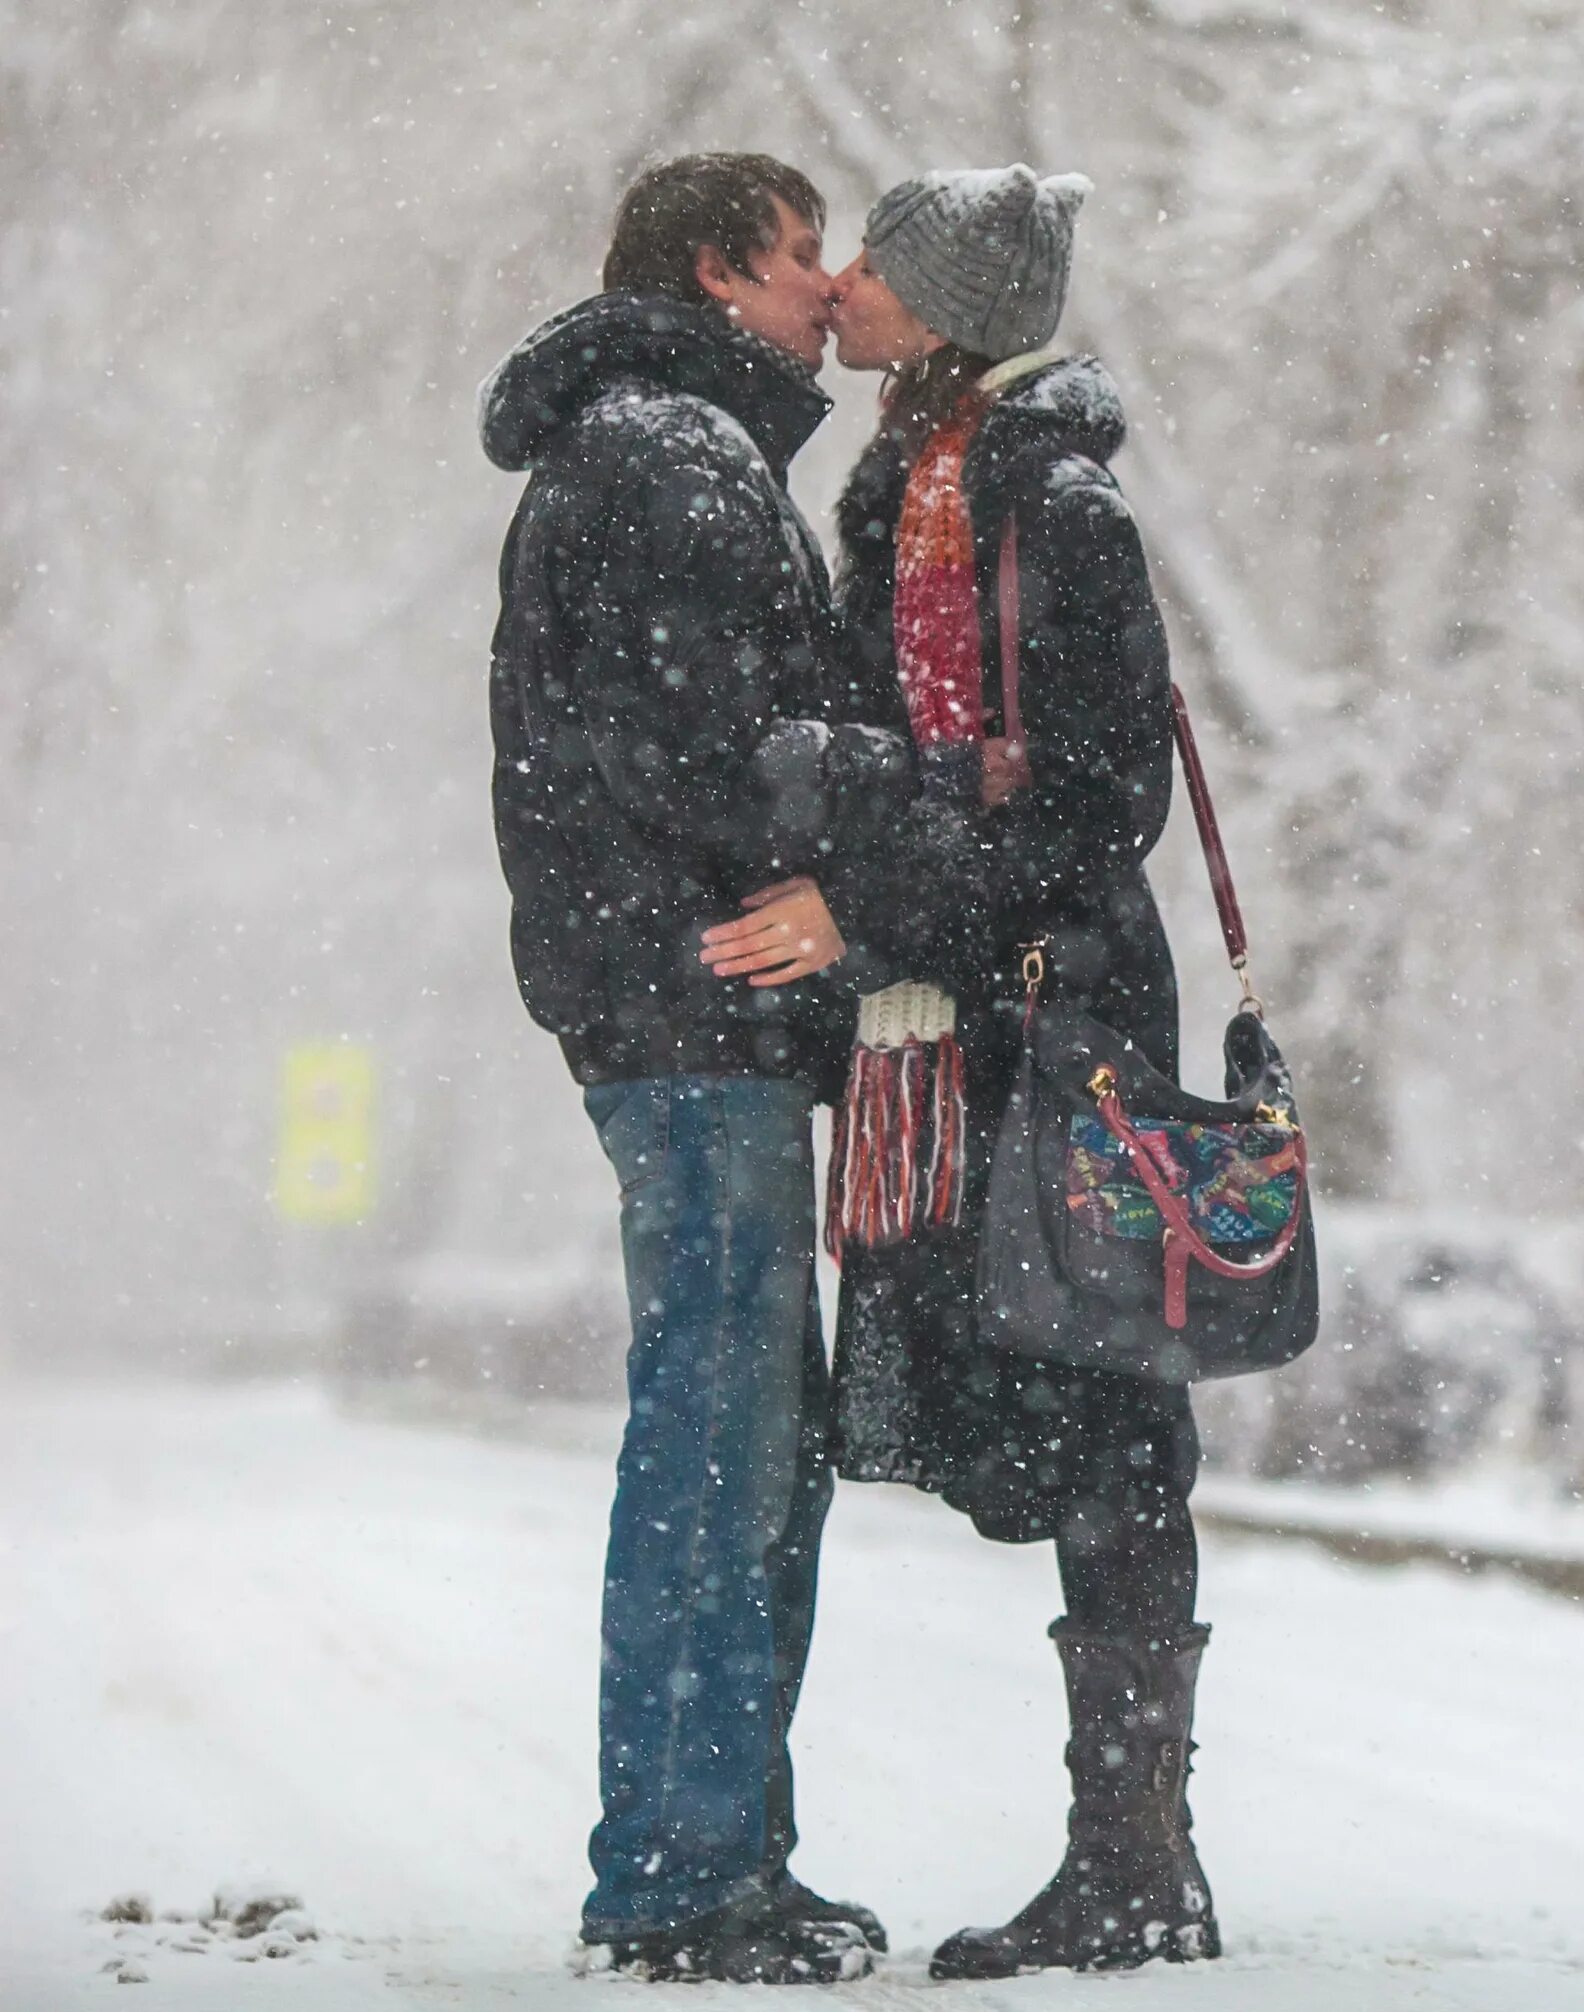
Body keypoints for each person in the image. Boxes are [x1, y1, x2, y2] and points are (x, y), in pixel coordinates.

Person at [714, 163, 1216, 1981]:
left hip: (1057, 1018)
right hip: (974, 1015)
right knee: (1079, 1411)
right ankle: (1132, 1858)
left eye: (877, 262)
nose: (837, 283)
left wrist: (874, 877)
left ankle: (1137, 1859)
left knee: (1115, 1419)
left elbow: (1099, 806)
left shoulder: (1046, 507)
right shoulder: (918, 493)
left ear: (943, 306)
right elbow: (945, 765)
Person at [481, 152, 913, 1984]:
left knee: (748, 1445)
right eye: (805, 255)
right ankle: (677, 1879)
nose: (829, 292)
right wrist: (890, 808)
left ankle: (723, 1851)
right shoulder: (668, 448)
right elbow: (714, 743)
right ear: (725, 269)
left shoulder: (677, 439)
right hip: (694, 1010)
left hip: (686, 1008)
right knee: (723, 1450)